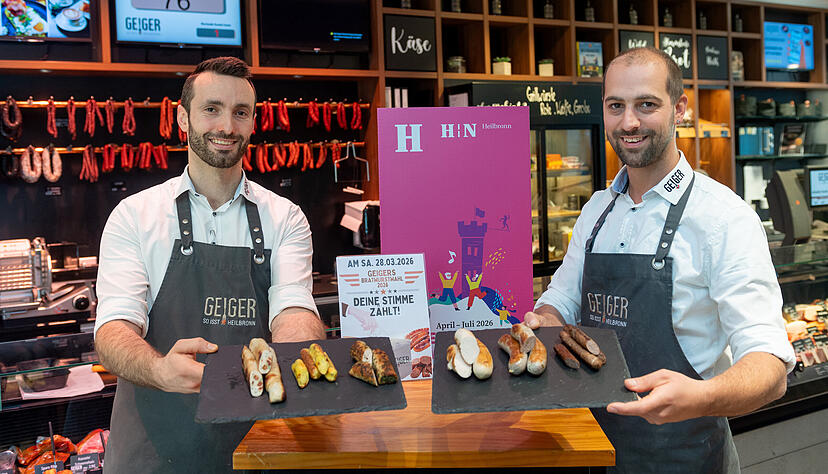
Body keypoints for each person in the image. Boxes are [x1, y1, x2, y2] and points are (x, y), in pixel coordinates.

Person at [525, 47, 795, 473]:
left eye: (646, 105)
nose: (629, 122)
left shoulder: (724, 218)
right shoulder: (597, 210)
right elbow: (560, 300)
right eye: (616, 106)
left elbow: (770, 367)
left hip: (683, 456)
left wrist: (700, 397)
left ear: (679, 110)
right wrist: (543, 319)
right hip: (592, 447)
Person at [94, 56, 325, 472]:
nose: (227, 127)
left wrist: (293, 349)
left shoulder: (285, 217)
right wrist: (160, 369)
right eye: (212, 109)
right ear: (182, 118)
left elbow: (294, 307)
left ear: (254, 123)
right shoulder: (135, 215)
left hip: (255, 448)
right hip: (153, 453)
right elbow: (113, 329)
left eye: (241, 113)